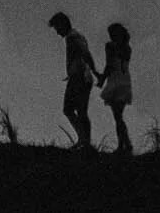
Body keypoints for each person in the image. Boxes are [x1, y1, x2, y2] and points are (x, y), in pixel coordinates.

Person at [48, 11, 98, 149]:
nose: (57, 32)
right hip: (79, 77)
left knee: (73, 109)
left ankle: (84, 141)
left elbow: (85, 53)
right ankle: (84, 140)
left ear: (62, 25)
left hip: (80, 78)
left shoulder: (73, 37)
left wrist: (93, 71)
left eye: (57, 28)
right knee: (76, 110)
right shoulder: (76, 36)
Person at [98, 23, 134, 156]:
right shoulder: (127, 48)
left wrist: (101, 79)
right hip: (125, 81)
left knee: (117, 116)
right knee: (119, 116)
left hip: (115, 81)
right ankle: (124, 144)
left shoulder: (110, 46)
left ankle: (125, 145)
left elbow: (109, 65)